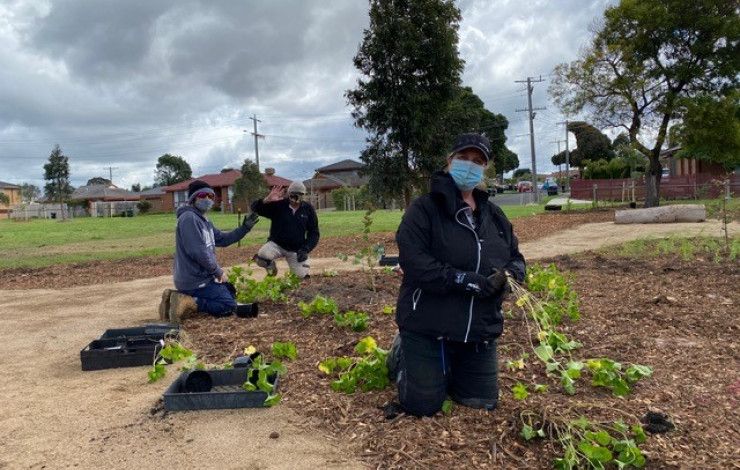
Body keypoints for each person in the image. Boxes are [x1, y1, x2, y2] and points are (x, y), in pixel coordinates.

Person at [388, 133, 526, 417]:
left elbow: (517, 258)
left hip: (478, 330)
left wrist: (510, 275)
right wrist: (466, 281)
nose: (469, 165)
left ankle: (445, 368)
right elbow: (414, 263)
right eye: (463, 158)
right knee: (423, 406)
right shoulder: (424, 209)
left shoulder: (495, 215)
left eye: (478, 161)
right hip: (429, 325)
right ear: (449, 161)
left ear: (485, 168)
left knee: (481, 402)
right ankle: (402, 353)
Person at [159, 180, 260, 323]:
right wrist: (218, 272)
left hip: (201, 277)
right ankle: (190, 301)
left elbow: (223, 239)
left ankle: (173, 298)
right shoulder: (189, 219)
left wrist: (245, 228)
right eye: (202, 195)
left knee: (230, 291)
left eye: (211, 196)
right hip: (195, 280)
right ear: (193, 198)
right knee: (227, 306)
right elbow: (198, 252)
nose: (207, 199)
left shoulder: (203, 221)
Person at [250, 180, 319, 278]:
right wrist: (267, 200)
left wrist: (305, 249)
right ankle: (271, 266)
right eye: (293, 194)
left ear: (303, 195)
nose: (295, 197)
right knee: (262, 256)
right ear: (289, 193)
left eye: (299, 195)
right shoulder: (279, 205)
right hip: (277, 245)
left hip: (296, 249)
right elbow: (255, 208)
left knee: (301, 276)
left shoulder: (308, 209)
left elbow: (314, 233)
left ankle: (300, 270)